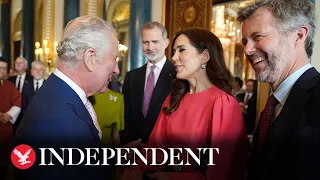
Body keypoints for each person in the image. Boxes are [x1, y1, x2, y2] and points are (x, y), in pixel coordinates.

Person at [122, 28, 248, 180]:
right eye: (174, 51)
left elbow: (221, 172)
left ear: (205, 56)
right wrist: (135, 170)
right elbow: (155, 149)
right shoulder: (173, 99)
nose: (174, 57)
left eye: (181, 50)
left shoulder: (223, 104)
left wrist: (170, 178)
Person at [13, 15, 127, 180]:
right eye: (114, 59)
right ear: (90, 58)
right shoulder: (61, 124)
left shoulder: (59, 92)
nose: (116, 69)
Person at [237, 0, 320, 179]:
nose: (247, 50)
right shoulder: (272, 106)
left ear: (298, 35)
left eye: (258, 37)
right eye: (245, 41)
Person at [112, 22, 176, 146]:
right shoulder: (132, 76)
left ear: (166, 43)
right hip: (132, 150)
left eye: (155, 42)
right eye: (145, 42)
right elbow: (126, 116)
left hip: (163, 151)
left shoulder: (177, 76)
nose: (149, 47)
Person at [0, 58, 21, 180]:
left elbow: (17, 102)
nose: (2, 71)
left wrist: (8, 115)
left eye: (4, 68)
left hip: (5, 128)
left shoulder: (10, 86)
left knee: (3, 163)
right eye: (0, 67)